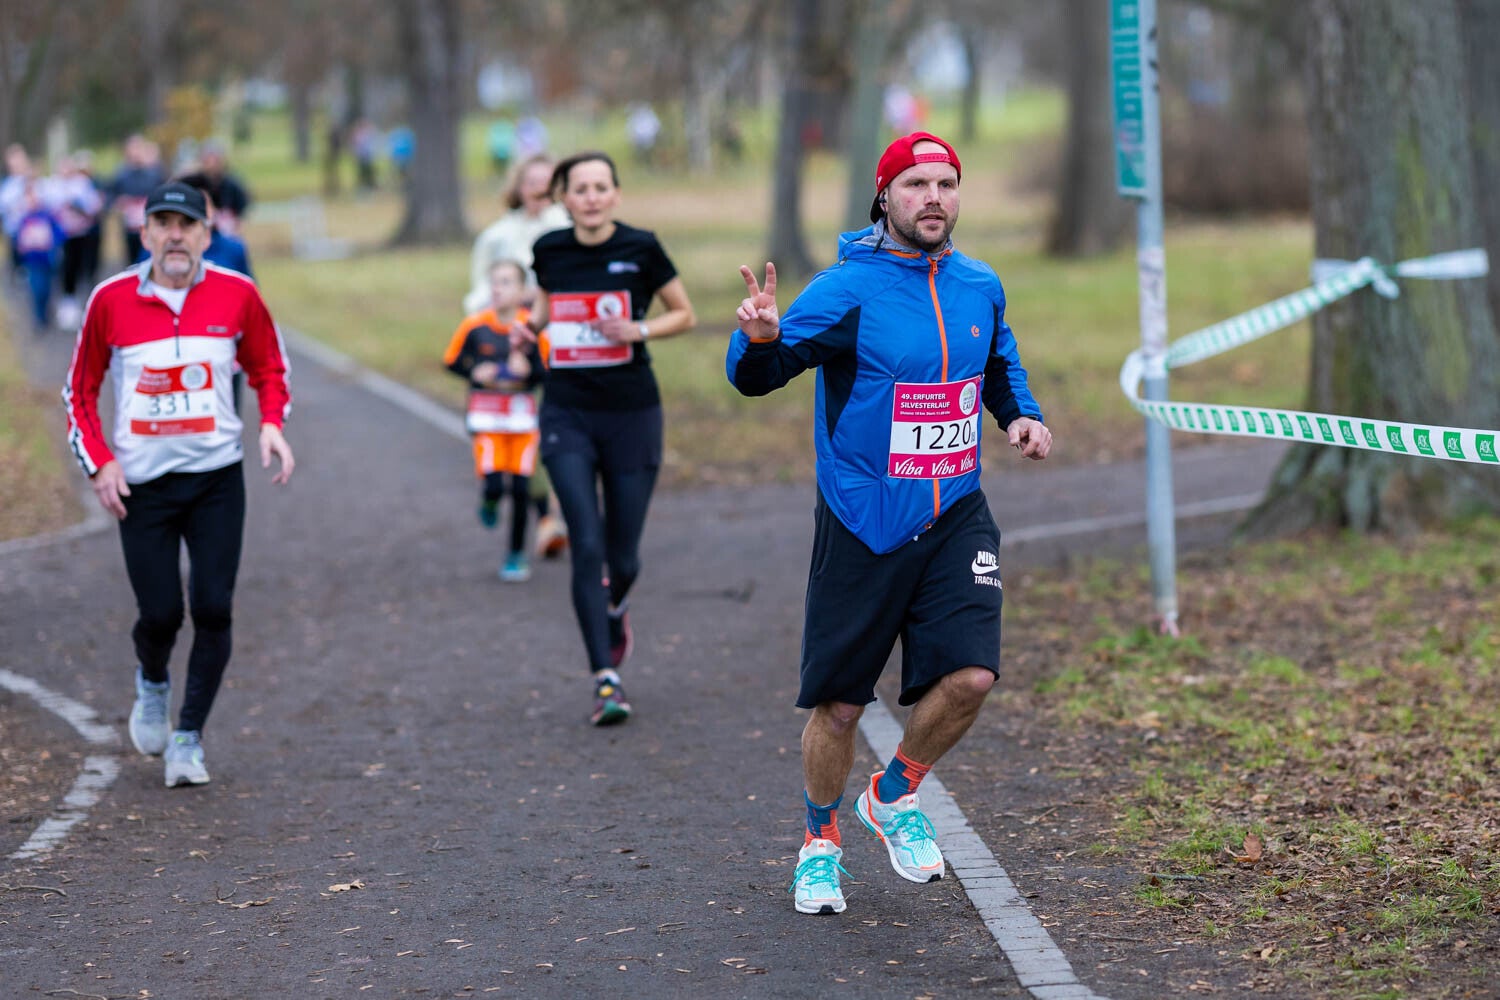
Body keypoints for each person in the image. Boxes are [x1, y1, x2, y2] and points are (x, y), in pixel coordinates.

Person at [725, 132, 1053, 915]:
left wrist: (1022, 418)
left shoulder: (980, 283)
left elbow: (998, 367)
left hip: (953, 509)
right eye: (915, 185)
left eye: (945, 183)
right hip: (864, 519)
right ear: (885, 197)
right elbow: (760, 376)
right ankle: (819, 842)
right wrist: (758, 338)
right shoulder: (847, 290)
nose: (933, 197)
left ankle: (893, 792)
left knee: (972, 676)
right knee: (839, 706)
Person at [62, 180, 294, 788]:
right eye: (162, 223)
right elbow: (79, 391)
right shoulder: (110, 300)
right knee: (161, 614)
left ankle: (188, 738)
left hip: (216, 478)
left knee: (213, 608)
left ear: (206, 235)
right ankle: (154, 683)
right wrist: (101, 463)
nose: (174, 235)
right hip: (142, 486)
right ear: (144, 234)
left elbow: (270, 367)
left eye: (186, 225)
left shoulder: (237, 295)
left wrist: (270, 425)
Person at [520, 150, 696, 726]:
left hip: (632, 414)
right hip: (567, 412)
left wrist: (637, 328)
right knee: (586, 544)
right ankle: (605, 679)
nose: (592, 197)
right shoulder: (549, 251)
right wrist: (531, 329)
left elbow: (684, 314)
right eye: (580, 188)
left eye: (601, 187)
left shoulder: (641, 247)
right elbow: (544, 310)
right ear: (562, 199)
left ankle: (615, 607)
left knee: (623, 556)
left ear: (615, 195)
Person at [464, 155, 573, 559]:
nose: (539, 189)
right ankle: (536, 513)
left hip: (561, 347)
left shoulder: (568, 227)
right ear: (519, 185)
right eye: (532, 181)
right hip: (512, 354)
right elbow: (477, 292)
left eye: (547, 182)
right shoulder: (499, 236)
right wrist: (499, 321)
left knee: (548, 434)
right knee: (524, 436)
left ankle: (549, 520)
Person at [443, 259, 547, 581]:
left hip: (521, 421)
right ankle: (489, 501)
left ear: (522, 291)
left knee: (520, 488)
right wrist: (475, 371)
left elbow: (548, 372)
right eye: (494, 282)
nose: (498, 289)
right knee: (493, 483)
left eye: (506, 282)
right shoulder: (475, 326)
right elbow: (452, 362)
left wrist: (528, 372)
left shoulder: (532, 328)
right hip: (486, 418)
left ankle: (515, 554)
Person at [13, 180, 66, 331]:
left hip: (48, 260)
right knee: (36, 288)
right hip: (32, 261)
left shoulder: (48, 216)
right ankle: (39, 317)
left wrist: (51, 242)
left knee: (47, 288)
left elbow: (60, 233)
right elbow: (18, 238)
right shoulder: (24, 218)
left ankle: (46, 313)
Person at [108, 135, 166, 267]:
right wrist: (119, 202)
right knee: (133, 260)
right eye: (132, 148)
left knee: (151, 257)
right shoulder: (121, 174)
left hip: (150, 223)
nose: (136, 152)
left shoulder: (154, 173)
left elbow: (163, 192)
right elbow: (110, 195)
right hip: (130, 226)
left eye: (138, 148)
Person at [193, 140, 253, 237]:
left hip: (227, 233)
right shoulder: (194, 182)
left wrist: (236, 228)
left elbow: (242, 209)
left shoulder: (233, 184)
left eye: (215, 160)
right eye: (208, 160)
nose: (211, 165)